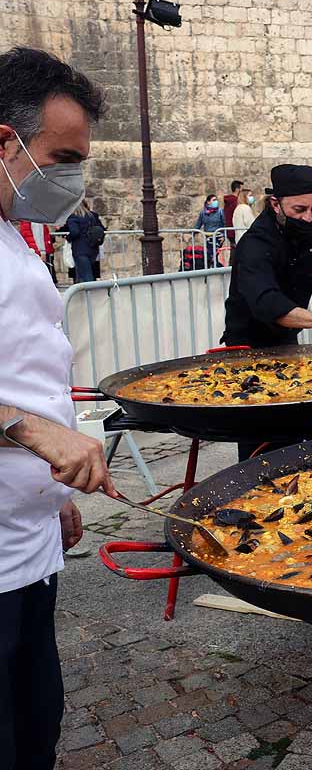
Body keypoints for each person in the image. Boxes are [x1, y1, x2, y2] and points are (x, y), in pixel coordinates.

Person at [0, 44, 111, 770]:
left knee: (36, 720)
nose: (69, 177)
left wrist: (49, 497)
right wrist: (28, 429)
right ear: (4, 141)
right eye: (61, 156)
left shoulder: (11, 229)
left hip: (25, 539)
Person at [222, 164, 312, 456]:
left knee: (297, 425)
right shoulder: (254, 245)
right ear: (276, 203)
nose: (309, 218)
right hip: (247, 350)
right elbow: (268, 305)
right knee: (262, 436)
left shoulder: (308, 231)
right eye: (299, 210)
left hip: (286, 345)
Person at [65, 199, 104, 282]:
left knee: (85, 275)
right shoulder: (92, 216)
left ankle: (88, 294)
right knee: (88, 272)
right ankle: (87, 292)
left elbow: (75, 232)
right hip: (93, 248)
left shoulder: (73, 217)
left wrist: (68, 237)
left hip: (80, 249)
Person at [194, 193, 225, 268]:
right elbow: (198, 224)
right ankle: (214, 268)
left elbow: (224, 223)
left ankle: (215, 267)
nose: (216, 201)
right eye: (214, 200)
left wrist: (224, 235)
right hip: (208, 236)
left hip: (218, 236)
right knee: (210, 254)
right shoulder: (203, 213)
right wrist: (193, 232)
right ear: (208, 202)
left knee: (214, 253)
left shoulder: (220, 211)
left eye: (216, 200)